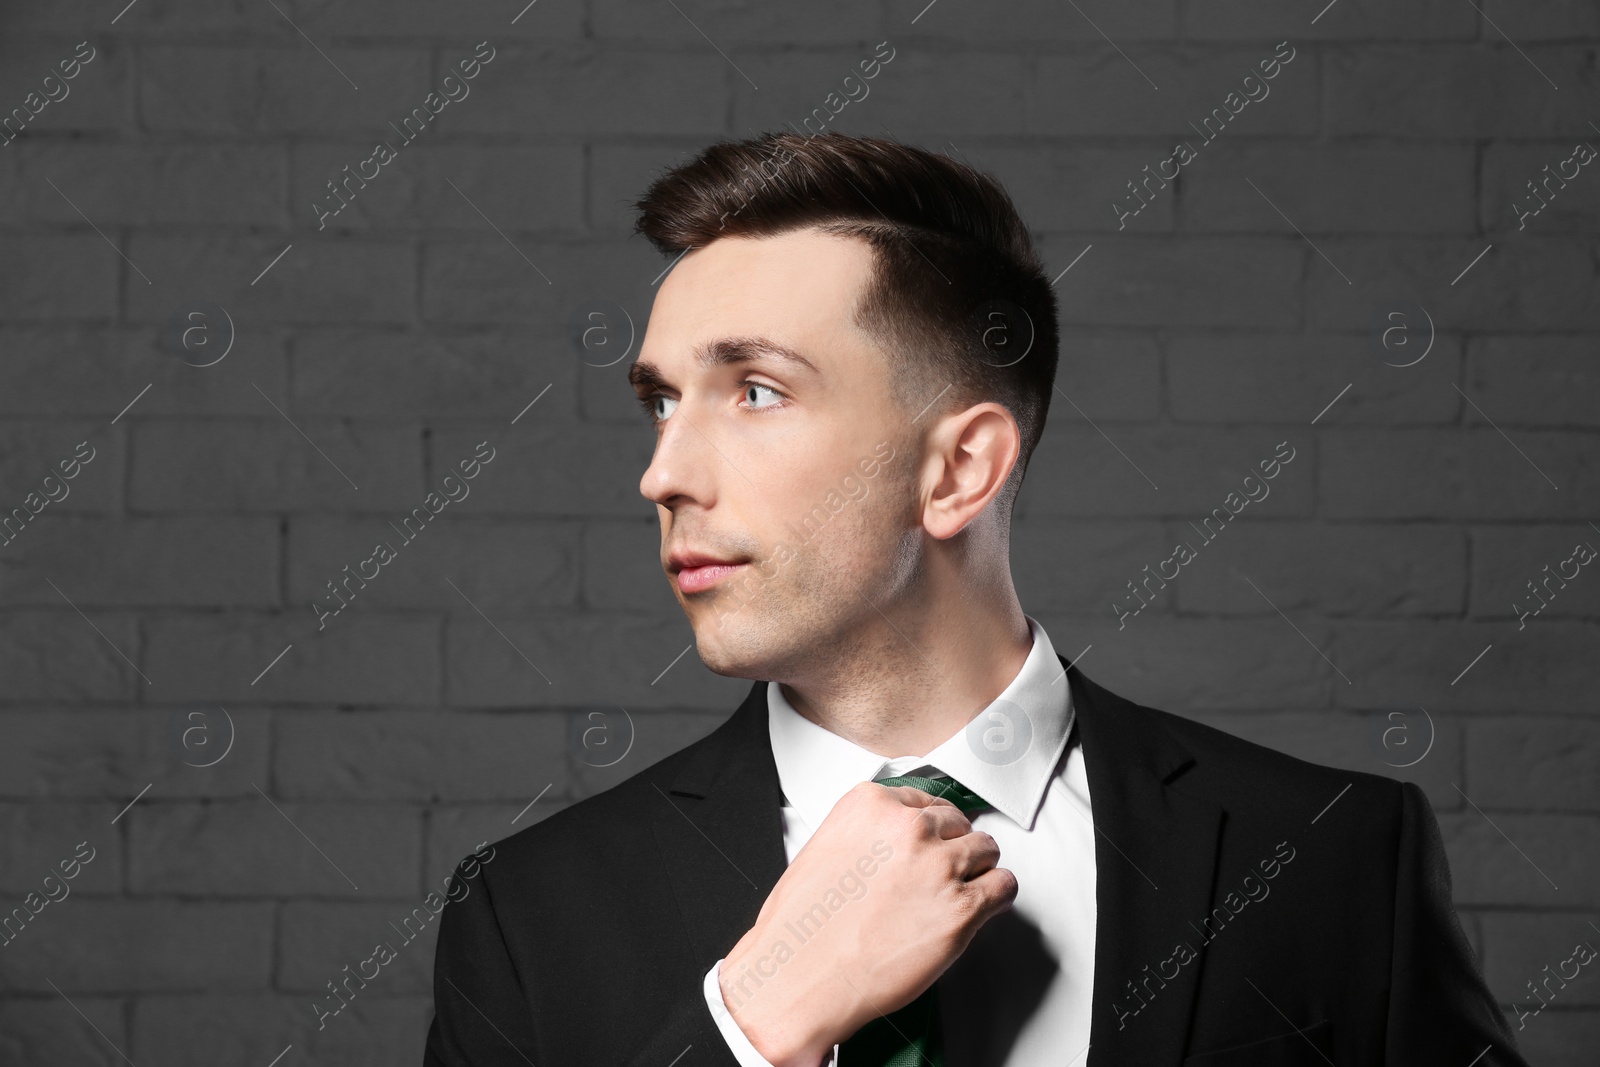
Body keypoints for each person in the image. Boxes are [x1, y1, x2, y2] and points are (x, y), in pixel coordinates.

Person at [424, 131, 1529, 1067]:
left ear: (957, 469)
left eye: (754, 390)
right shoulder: (529, 913)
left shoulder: (1328, 862)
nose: (663, 473)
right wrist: (752, 1030)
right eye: (661, 402)